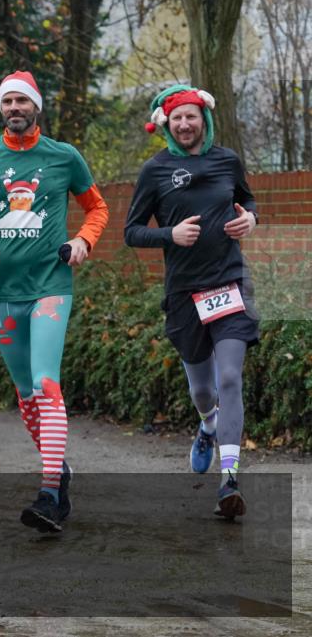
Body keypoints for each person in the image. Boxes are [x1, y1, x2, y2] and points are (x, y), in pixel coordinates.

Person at [0, 71, 109, 532]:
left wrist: (83, 241)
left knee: (45, 382)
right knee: (26, 393)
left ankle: (49, 492)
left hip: (50, 285)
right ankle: (60, 470)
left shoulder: (63, 156)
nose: (14, 108)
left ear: (36, 106)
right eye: (8, 101)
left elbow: (97, 207)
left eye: (22, 101)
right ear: (1, 108)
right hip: (2, 291)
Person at [126, 85, 258, 519]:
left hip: (229, 282)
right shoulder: (155, 170)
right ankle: (207, 425)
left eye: (191, 116)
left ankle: (229, 479)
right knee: (203, 390)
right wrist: (171, 234)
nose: (185, 124)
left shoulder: (227, 160)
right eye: (177, 118)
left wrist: (250, 218)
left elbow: (246, 198)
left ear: (205, 119)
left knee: (230, 378)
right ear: (166, 124)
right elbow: (131, 231)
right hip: (184, 292)